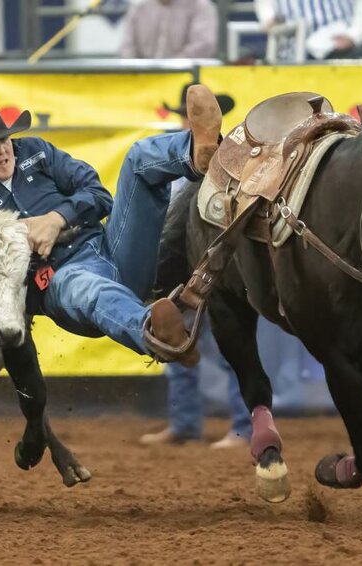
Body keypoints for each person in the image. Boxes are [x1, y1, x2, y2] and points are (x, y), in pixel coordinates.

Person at [0, 85, 223, 363]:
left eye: (3, 139)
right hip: (58, 280)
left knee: (137, 158)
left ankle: (196, 153)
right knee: (85, 287)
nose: (3, 150)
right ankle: (157, 335)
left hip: (111, 247)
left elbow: (99, 195)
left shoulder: (36, 151)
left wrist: (56, 219)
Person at [140, 83, 250, 448]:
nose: (193, 121)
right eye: (191, 115)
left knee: (230, 348)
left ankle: (242, 427)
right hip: (183, 265)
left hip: (217, 267)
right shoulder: (172, 157)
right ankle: (188, 423)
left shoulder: (235, 161)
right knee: (175, 344)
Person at [255, 0, 362, 60]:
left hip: (338, 51)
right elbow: (265, 7)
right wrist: (268, 18)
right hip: (289, 52)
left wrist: (354, 35)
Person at [119, 0, 218, 59]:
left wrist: (171, 67)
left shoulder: (199, 6)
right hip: (143, 81)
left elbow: (204, 45)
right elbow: (127, 47)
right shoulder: (138, 7)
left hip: (186, 80)